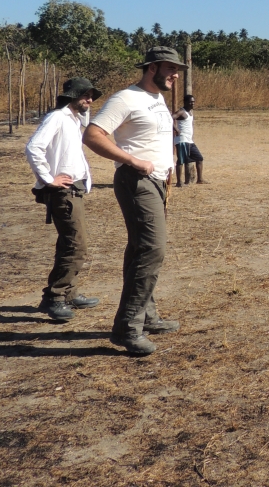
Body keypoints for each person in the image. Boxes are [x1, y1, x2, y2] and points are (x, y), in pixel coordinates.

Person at [83, 46, 184, 356]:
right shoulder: (125, 98)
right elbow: (93, 135)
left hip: (158, 183)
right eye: (170, 69)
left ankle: (147, 315)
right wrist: (132, 160)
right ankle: (127, 327)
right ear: (152, 68)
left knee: (141, 249)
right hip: (136, 181)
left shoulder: (157, 98)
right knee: (152, 249)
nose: (175, 74)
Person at [25, 77, 103, 322]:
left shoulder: (73, 119)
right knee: (75, 245)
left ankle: (68, 293)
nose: (90, 100)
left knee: (71, 243)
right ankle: (55, 297)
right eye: (85, 96)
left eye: (91, 96)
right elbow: (33, 147)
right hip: (63, 192)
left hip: (74, 189)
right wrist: (49, 179)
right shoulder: (58, 117)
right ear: (73, 96)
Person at [174, 95, 206, 186]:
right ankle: (179, 182)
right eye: (191, 102)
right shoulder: (181, 112)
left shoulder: (190, 112)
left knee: (199, 158)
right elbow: (170, 118)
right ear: (185, 102)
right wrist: (176, 129)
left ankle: (200, 179)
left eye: (193, 102)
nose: (193, 103)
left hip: (189, 140)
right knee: (181, 160)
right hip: (182, 140)